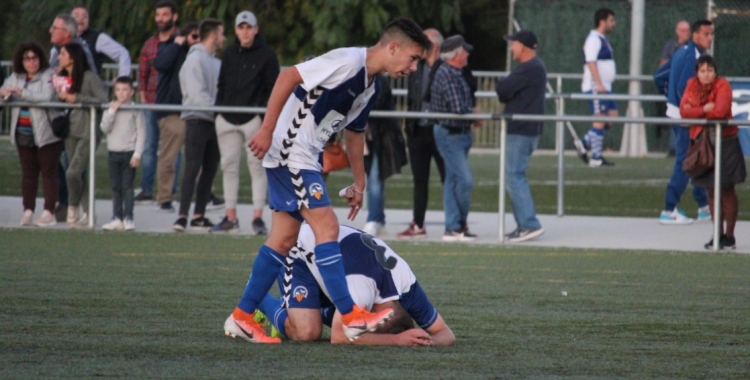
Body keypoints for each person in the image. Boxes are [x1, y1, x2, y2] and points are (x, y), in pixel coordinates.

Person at [223, 17, 432, 344]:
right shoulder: (348, 61)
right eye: (414, 58)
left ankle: (242, 315)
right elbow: (288, 75)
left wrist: (358, 183)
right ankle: (350, 317)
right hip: (290, 151)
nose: (415, 67)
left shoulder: (370, 85)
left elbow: (355, 133)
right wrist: (266, 128)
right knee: (327, 227)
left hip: (303, 156)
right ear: (393, 47)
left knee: (283, 239)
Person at [235, 224, 455, 346]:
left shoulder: (407, 288)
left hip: (333, 258)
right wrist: (395, 340)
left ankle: (293, 308)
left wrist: (427, 341)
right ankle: (257, 296)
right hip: (299, 250)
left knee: (335, 314)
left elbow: (446, 334)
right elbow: (339, 337)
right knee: (306, 332)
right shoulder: (361, 287)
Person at [210, 11, 279, 235]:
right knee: (229, 167)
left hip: (253, 120)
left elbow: (273, 90)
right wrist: (218, 113)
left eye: (249, 27)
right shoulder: (229, 53)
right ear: (236, 30)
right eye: (241, 27)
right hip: (227, 118)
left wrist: (264, 118)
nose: (245, 31)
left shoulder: (268, 55)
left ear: (256, 29)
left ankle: (257, 217)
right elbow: (221, 85)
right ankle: (231, 217)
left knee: (257, 168)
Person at [679, 55, 746, 249]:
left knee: (726, 188)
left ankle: (729, 236)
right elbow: (684, 111)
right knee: (710, 189)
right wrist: (704, 108)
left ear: (715, 72)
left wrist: (697, 110)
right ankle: (716, 234)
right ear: (697, 73)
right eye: (702, 71)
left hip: (725, 141)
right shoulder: (691, 84)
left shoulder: (722, 85)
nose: (706, 75)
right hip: (703, 141)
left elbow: (721, 111)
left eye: (710, 70)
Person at [1, 42, 62, 227]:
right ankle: (28, 210)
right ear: (21, 61)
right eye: (27, 59)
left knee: (49, 172)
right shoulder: (15, 76)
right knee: (28, 174)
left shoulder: (49, 75)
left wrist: (22, 93)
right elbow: (6, 92)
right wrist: (5, 93)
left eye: (34, 58)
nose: (31, 62)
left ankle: (49, 211)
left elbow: (46, 96)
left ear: (40, 58)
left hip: (46, 132)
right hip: (22, 131)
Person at [660, 20, 714, 225]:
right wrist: (690, 112)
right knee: (686, 160)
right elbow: (686, 89)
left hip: (682, 114)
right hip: (686, 118)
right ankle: (669, 208)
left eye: (711, 34)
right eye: (706, 34)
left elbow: (660, 77)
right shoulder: (692, 56)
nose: (710, 38)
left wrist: (670, 99)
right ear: (695, 35)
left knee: (696, 158)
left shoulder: (683, 52)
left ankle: (703, 206)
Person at [173, 19, 225, 231]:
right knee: (192, 167)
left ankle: (199, 214)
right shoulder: (194, 59)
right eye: (222, 33)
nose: (224, 38)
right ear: (213, 35)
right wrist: (218, 108)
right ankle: (182, 216)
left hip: (214, 121)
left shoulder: (217, 62)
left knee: (210, 169)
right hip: (197, 119)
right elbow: (196, 95)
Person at [495, 30, 547, 243]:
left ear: (523, 46)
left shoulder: (530, 68)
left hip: (521, 130)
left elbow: (503, 88)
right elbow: (505, 91)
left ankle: (528, 224)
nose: (511, 48)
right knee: (513, 176)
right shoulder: (532, 68)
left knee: (514, 176)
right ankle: (523, 225)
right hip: (523, 129)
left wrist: (505, 86)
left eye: (513, 44)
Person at [397, 28, 446, 239]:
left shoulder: (446, 68)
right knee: (420, 181)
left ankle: (457, 224)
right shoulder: (416, 68)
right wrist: (409, 127)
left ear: (433, 46)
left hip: (441, 131)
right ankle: (418, 225)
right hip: (418, 132)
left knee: (450, 179)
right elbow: (411, 99)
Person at [55, 42, 108, 228]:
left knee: (73, 172)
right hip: (70, 131)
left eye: (62, 53)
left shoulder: (89, 78)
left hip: (88, 131)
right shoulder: (63, 78)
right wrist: (57, 89)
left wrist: (78, 98)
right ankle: (87, 212)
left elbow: (103, 100)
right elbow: (57, 102)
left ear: (72, 57)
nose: (59, 57)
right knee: (79, 174)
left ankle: (72, 207)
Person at [430, 35, 477, 242]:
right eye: (464, 50)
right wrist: (475, 114)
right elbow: (459, 108)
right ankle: (458, 224)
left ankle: (453, 227)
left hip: (460, 134)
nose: (467, 54)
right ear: (456, 54)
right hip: (450, 134)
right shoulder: (447, 74)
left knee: (452, 180)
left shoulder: (456, 72)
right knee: (465, 180)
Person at [153, 21, 200, 212]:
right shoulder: (173, 47)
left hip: (194, 110)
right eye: (194, 36)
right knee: (169, 156)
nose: (197, 41)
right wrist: (177, 44)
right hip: (172, 110)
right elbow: (159, 64)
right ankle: (164, 196)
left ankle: (202, 194)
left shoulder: (202, 54)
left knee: (198, 156)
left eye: (200, 37)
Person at [136, 0, 179, 204]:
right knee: (149, 147)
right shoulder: (149, 44)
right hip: (151, 103)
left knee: (173, 150)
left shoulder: (181, 41)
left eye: (165, 14)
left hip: (172, 105)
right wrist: (144, 98)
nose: (160, 19)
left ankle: (171, 190)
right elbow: (142, 74)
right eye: (158, 15)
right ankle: (146, 188)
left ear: (174, 16)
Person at [362, 74, 407, 237]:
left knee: (375, 177)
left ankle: (374, 219)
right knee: (371, 177)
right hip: (366, 136)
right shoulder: (355, 79)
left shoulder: (380, 81)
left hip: (382, 137)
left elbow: (376, 103)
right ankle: (378, 219)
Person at [100, 77, 145, 231]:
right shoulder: (110, 108)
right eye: (118, 89)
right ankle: (116, 217)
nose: (121, 93)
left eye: (125, 89)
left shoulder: (135, 109)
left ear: (132, 92)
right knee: (116, 187)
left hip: (129, 153)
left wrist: (137, 153)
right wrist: (112, 111)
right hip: (113, 152)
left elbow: (141, 132)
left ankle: (128, 217)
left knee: (127, 187)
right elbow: (105, 128)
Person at [578, 7, 617, 167]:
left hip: (606, 86)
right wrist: (599, 83)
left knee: (612, 117)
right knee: (599, 119)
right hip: (597, 86)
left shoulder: (602, 39)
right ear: (602, 22)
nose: (614, 24)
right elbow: (591, 61)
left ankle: (584, 142)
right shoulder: (593, 39)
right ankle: (596, 157)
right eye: (611, 20)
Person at [656, 20, 691, 157]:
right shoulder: (671, 46)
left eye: (687, 30)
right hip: (673, 86)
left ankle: (682, 147)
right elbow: (663, 65)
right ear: (677, 31)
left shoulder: (692, 47)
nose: (685, 33)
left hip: (687, 88)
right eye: (683, 30)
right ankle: (674, 147)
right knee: (673, 113)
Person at [70, 5, 131, 78]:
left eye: (84, 16)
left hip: (90, 84)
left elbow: (122, 53)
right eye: (76, 16)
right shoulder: (64, 36)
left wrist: (123, 78)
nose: (81, 19)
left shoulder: (97, 37)